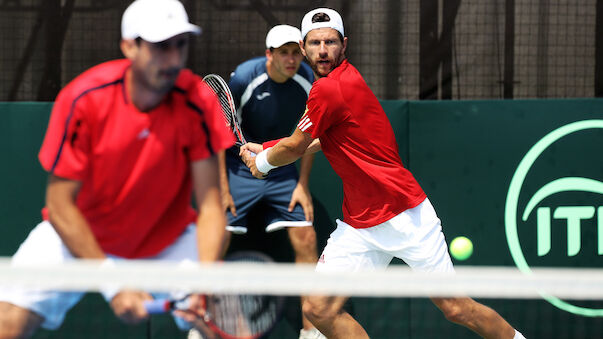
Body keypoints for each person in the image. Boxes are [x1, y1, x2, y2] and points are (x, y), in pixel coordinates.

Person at [240, 8, 527, 339]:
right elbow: (319, 139)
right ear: (304, 48)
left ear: (343, 45)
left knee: (456, 308)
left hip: (405, 214)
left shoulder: (330, 88)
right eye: (315, 43)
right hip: (360, 225)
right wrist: (269, 147)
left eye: (330, 42)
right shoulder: (335, 86)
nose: (323, 50)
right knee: (317, 308)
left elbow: (294, 147)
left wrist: (263, 164)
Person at [0, 0, 233, 338]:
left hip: (166, 240)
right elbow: (60, 205)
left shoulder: (198, 100)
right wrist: (114, 283)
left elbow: (211, 206)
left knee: (222, 322)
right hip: (80, 236)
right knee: (7, 322)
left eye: (180, 45)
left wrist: (206, 280)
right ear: (129, 46)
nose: (172, 59)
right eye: (159, 46)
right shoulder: (83, 99)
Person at [198, 24, 324, 339]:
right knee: (217, 240)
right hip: (238, 170)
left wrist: (302, 185)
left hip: (282, 169)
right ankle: (203, 327)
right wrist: (223, 191)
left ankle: (311, 331)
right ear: (269, 55)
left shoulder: (307, 80)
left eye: (296, 52)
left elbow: (309, 136)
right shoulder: (243, 78)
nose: (292, 59)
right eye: (284, 53)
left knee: (307, 239)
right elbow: (217, 133)